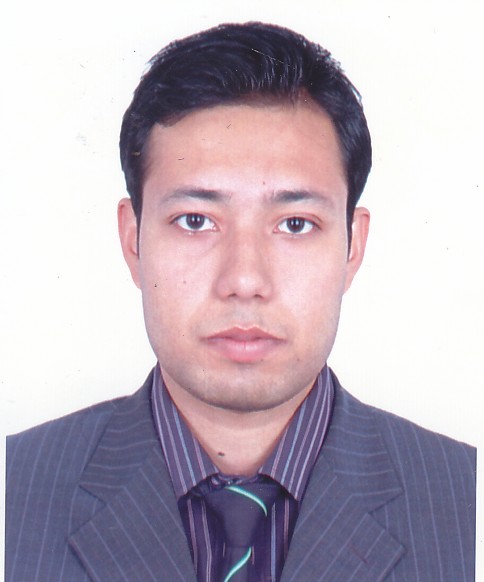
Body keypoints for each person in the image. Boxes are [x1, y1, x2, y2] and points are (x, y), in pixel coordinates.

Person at [6, 22, 475, 582]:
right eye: (195, 221)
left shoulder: (465, 502)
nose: (245, 280)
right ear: (133, 241)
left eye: (295, 224)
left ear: (353, 247)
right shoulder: (15, 491)